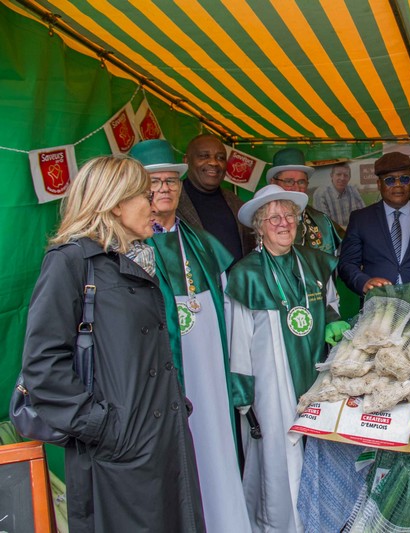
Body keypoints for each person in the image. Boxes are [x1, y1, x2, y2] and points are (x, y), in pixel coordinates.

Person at [21, 155, 205, 532]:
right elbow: (42, 366)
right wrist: (103, 427)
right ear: (116, 203)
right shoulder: (71, 262)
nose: (154, 204)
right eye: (144, 195)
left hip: (161, 439)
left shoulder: (139, 259)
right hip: (117, 451)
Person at [129, 140, 251, 533]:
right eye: (154, 182)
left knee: (215, 443)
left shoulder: (199, 240)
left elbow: (231, 303)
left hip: (210, 364)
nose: (164, 188)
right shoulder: (127, 246)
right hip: (161, 370)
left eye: (170, 181)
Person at [227, 184, 350, 532]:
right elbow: (238, 340)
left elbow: (330, 304)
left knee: (323, 450)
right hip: (270, 383)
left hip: (318, 374)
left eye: (290, 216)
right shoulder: (246, 274)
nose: (284, 223)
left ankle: (324, 520)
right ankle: (281, 525)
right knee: (280, 459)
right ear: (260, 227)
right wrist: (243, 397)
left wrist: (330, 319)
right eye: (274, 218)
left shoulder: (313, 261)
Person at [339, 152, 410, 304]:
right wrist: (364, 282)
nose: (398, 185)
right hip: (377, 307)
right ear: (378, 184)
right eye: (389, 180)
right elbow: (347, 264)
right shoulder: (360, 219)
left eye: (404, 179)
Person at [177, 133, 255, 262]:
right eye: (204, 156)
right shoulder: (172, 203)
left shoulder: (237, 203)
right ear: (186, 161)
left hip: (237, 281)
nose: (214, 162)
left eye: (221, 158)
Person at [269, 147, 343, 255]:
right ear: (273, 183)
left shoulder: (323, 221)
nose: (296, 188)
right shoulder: (261, 222)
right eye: (289, 181)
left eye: (301, 182)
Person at [313, 163, 365, 227]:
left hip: (353, 234)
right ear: (331, 176)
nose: (342, 178)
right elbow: (324, 224)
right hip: (333, 235)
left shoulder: (353, 191)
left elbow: (363, 216)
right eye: (338, 174)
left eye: (346, 175)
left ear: (349, 178)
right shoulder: (321, 193)